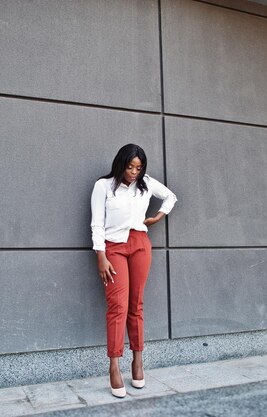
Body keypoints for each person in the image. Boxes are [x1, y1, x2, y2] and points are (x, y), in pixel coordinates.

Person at [90, 143, 177, 398]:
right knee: (117, 305)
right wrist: (100, 255)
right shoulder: (103, 186)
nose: (134, 172)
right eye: (130, 167)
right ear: (120, 164)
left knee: (136, 305)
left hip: (140, 244)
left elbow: (170, 196)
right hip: (113, 248)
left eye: (138, 168)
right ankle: (114, 366)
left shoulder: (146, 183)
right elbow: (97, 223)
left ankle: (137, 361)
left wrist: (158, 216)